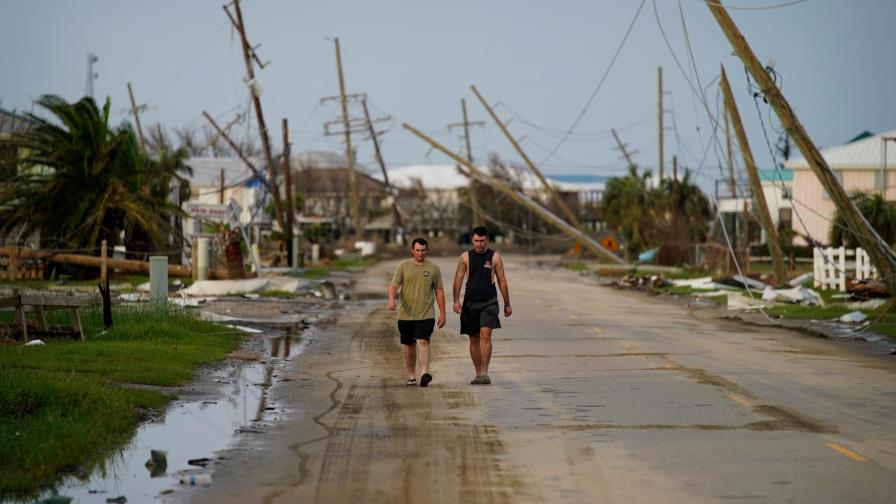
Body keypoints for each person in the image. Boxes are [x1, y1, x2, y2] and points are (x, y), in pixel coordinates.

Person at [452, 226, 511, 385]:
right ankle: (478, 373)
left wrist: (507, 303)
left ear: (487, 240)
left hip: (489, 302)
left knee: (485, 335)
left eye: (482, 241)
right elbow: (458, 279)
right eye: (476, 241)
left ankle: (485, 372)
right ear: (472, 239)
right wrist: (456, 300)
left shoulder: (495, 257)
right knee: (473, 339)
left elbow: (502, 281)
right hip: (470, 302)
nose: (479, 244)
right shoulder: (465, 257)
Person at [388, 237, 446, 387]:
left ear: (427, 250)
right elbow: (394, 285)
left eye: (423, 250)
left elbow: (439, 291)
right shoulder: (403, 266)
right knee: (409, 345)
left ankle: (424, 373)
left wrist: (443, 313)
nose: (421, 253)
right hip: (406, 314)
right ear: (412, 250)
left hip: (426, 313)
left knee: (423, 341)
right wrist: (391, 299)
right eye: (418, 250)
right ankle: (411, 376)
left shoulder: (433, 268)